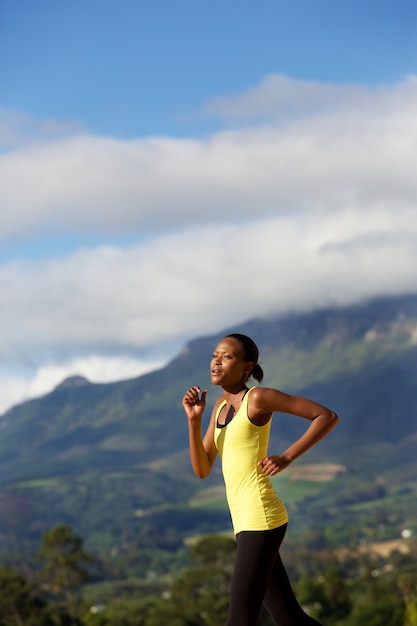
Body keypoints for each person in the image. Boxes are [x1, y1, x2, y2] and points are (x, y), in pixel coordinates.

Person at [182, 332, 339, 626]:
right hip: (244, 521)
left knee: (239, 621)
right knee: (289, 619)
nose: (216, 362)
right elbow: (202, 469)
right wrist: (194, 420)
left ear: (246, 366)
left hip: (261, 517)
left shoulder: (257, 398)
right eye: (215, 355)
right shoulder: (217, 407)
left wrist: (287, 456)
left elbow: (325, 416)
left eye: (226, 356)